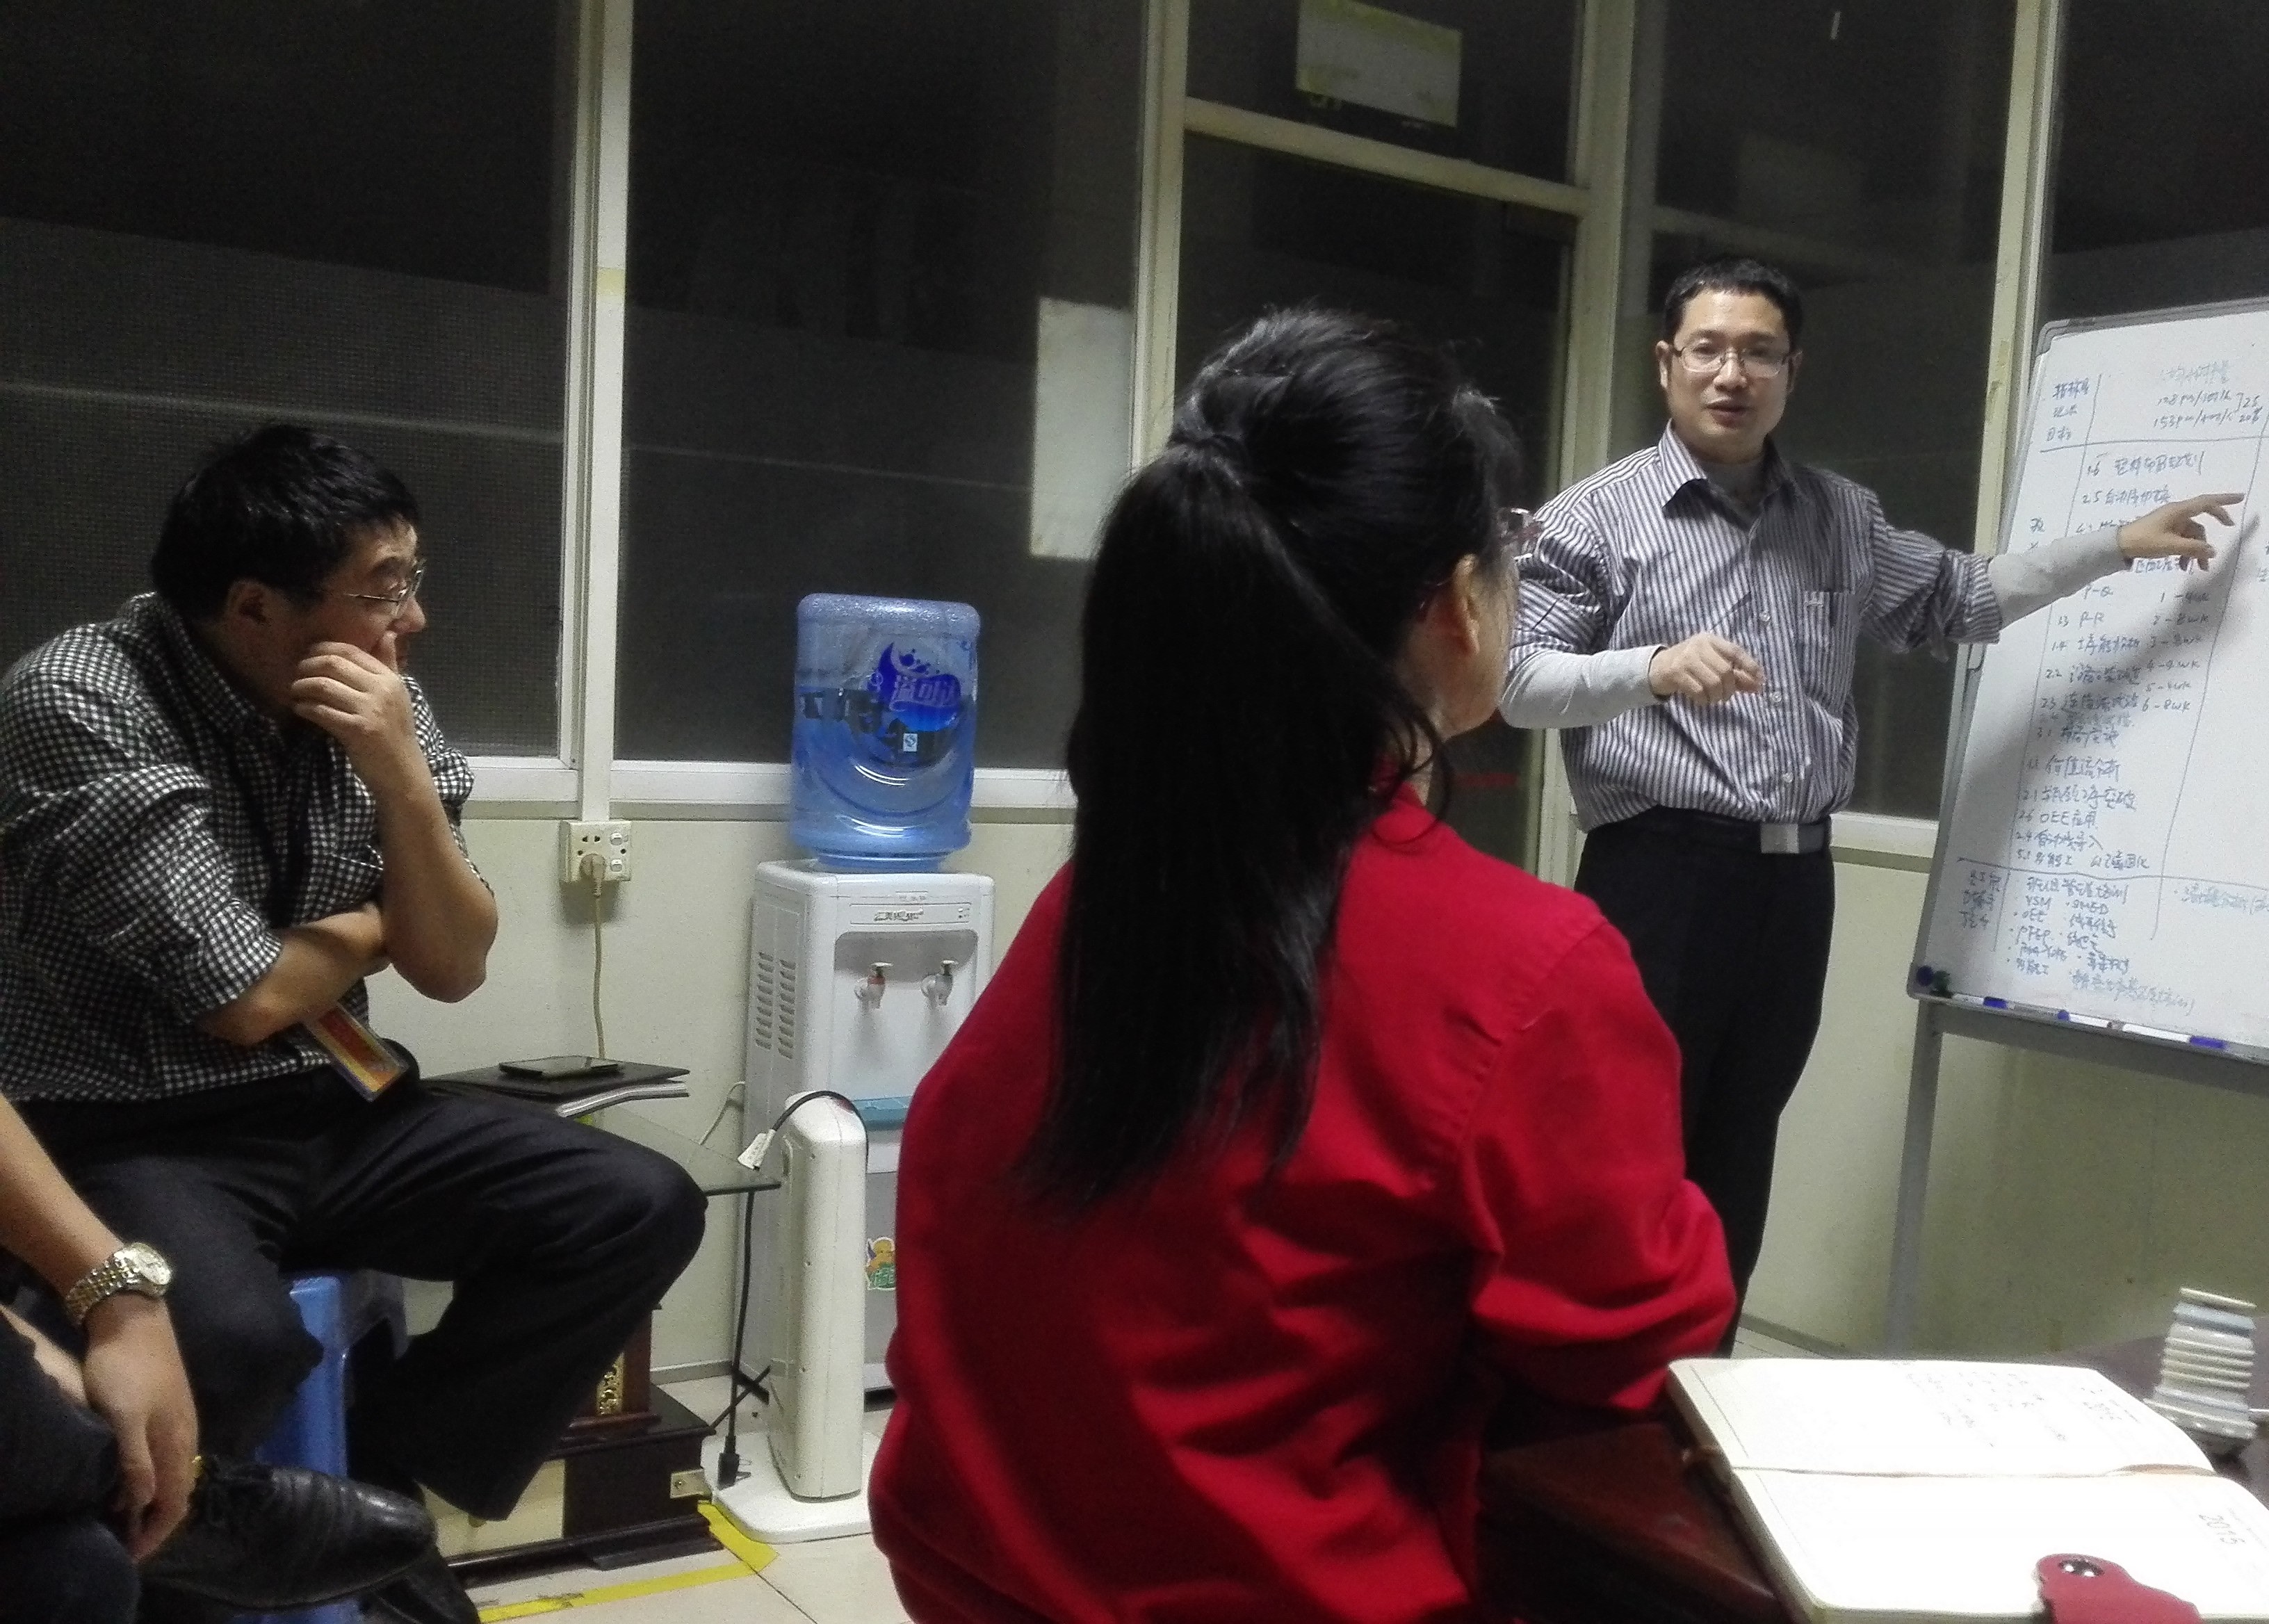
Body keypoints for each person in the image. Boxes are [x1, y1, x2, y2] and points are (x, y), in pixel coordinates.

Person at [871, 309, 1735, 1622]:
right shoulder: (1521, 966)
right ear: (1455, 605)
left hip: (978, 1587)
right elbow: (1637, 1354)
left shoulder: (1105, 898)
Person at [0, 425, 708, 1624]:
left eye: (411, 581)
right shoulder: (83, 700)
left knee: (634, 1205)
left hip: (338, 1103)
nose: (411, 620)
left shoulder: (384, 703)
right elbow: (242, 999)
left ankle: (378, 1484)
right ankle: (191, 1565)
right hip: (129, 1125)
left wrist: (402, 783)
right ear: (254, 606)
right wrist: (380, 922)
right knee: (234, 1339)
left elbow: (455, 962)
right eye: (381, 590)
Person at [1502, 256, 2239, 1314]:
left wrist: (2116, 544)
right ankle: (1599, 1390)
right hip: (1658, 877)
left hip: (1793, 885)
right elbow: (1519, 685)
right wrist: (1650, 667)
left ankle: (1700, 1382)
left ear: (1792, 370)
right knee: (1626, 1152)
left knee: (1741, 1147)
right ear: (1666, 363)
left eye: (1760, 352)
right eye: (1708, 349)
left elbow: (1963, 596)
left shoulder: (1839, 515)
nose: (1732, 374)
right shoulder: (1595, 519)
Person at [0, 1094, 432, 1624]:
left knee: (80, 1568)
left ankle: (138, 1494)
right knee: (233, 1337)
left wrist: (122, 1305)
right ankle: (151, 1497)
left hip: (323, 1107)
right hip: (134, 1132)